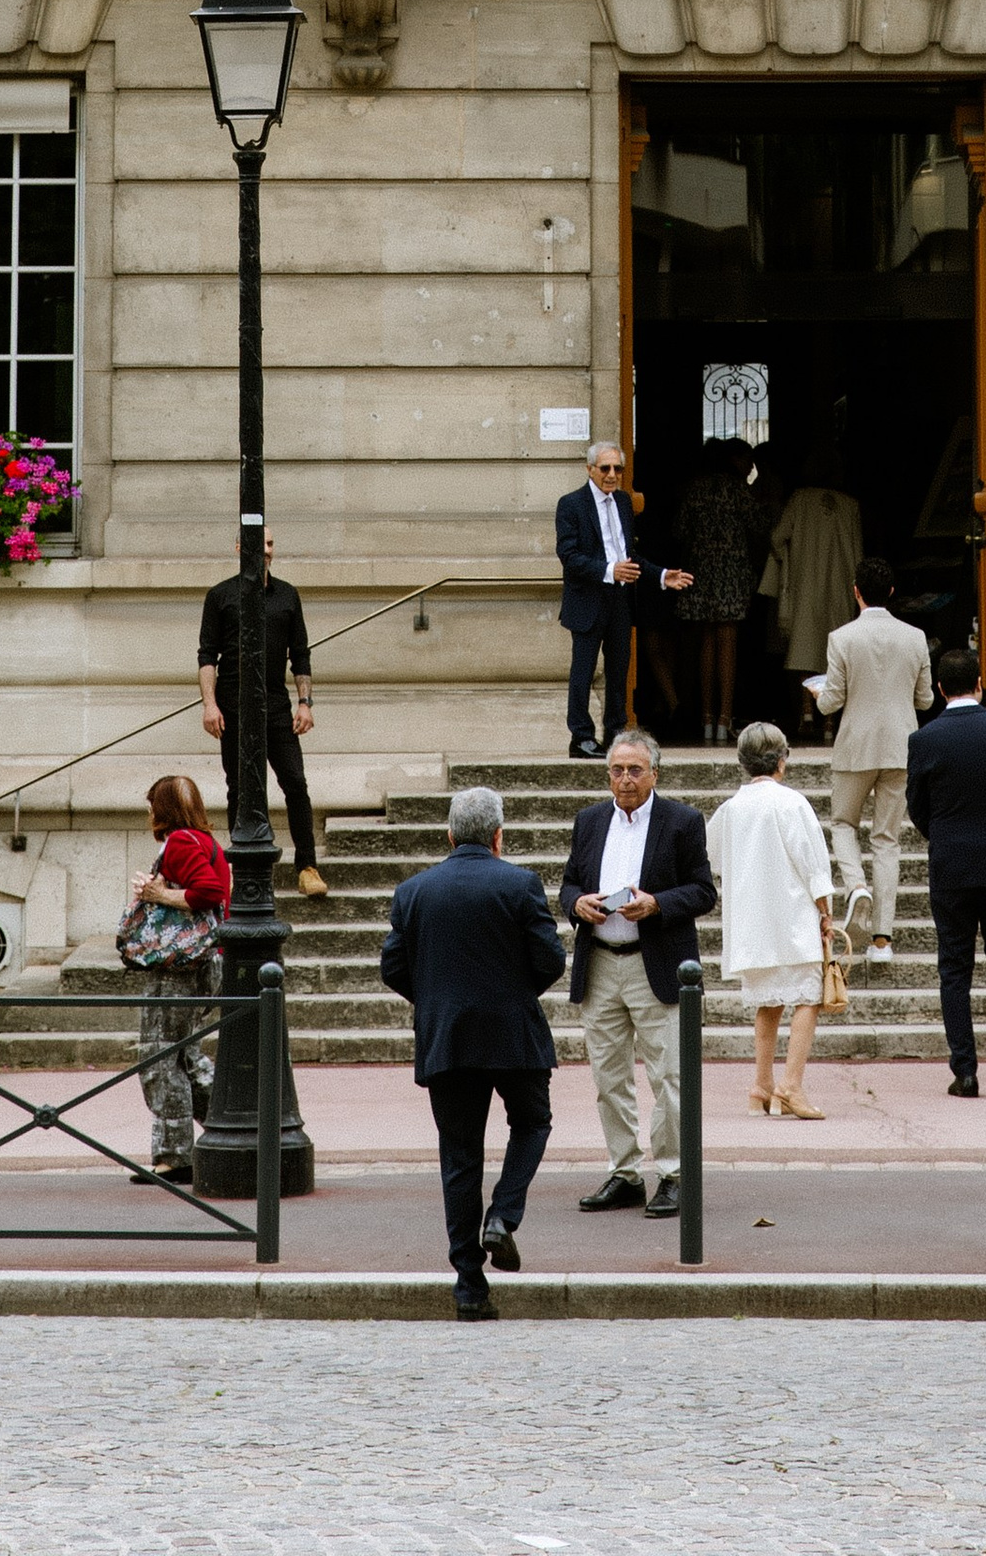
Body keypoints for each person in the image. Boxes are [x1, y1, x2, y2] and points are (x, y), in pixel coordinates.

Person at [379, 781, 567, 1321]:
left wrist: (438, 1000)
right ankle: (503, 1215)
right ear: (498, 836)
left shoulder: (414, 890)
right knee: (532, 1122)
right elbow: (550, 959)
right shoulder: (520, 884)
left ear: (449, 834)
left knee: (459, 1158)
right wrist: (510, 993)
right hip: (512, 1032)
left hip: (447, 1036)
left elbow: (393, 966)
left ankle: (468, 1286)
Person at [556, 725, 715, 1218]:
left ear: (654, 773)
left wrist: (657, 904)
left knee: (669, 1077)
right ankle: (623, 1172)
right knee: (609, 1077)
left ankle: (672, 1173)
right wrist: (577, 903)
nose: (625, 779)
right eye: (617, 770)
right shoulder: (589, 821)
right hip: (601, 962)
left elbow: (704, 891)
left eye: (635, 770)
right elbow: (567, 884)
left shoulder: (682, 821)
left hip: (657, 967)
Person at [904, 643, 986, 1098]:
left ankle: (964, 1070)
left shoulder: (924, 740)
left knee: (954, 970)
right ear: (980, 685)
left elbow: (916, 808)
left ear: (940, 689)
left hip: (951, 864)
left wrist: (944, 837)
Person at [706, 719, 836, 1120]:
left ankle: (761, 1085)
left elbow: (712, 859)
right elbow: (812, 862)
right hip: (792, 914)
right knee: (808, 997)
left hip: (751, 918)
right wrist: (825, 911)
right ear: (781, 761)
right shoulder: (792, 802)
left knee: (768, 1003)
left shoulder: (729, 810)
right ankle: (790, 1085)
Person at [197, 525, 326, 901]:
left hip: (274, 704)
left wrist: (305, 702)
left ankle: (306, 867)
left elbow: (300, 653)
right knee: (239, 789)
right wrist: (209, 705)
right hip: (233, 706)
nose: (265, 550)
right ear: (240, 547)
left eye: (270, 544)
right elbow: (208, 655)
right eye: (259, 543)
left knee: (296, 785)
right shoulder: (220, 596)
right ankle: (242, 871)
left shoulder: (287, 595)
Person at [818, 556, 934, 962]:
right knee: (887, 839)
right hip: (902, 745)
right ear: (890, 592)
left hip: (855, 744)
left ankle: (856, 886)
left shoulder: (841, 637)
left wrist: (817, 695)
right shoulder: (915, 637)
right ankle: (882, 940)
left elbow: (831, 700)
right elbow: (925, 699)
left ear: (856, 592)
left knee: (842, 822)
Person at [554, 440, 690, 758]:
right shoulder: (571, 504)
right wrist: (608, 570)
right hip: (588, 598)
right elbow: (569, 556)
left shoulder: (624, 502)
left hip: (620, 599)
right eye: (605, 468)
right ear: (590, 470)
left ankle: (615, 733)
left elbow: (629, 557)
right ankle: (582, 737)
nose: (612, 474)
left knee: (618, 671)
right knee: (583, 671)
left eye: (618, 468)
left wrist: (660, 575)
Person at [124, 772, 228, 1181]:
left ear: (161, 809)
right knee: (185, 1055)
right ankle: (235, 1123)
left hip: (180, 967)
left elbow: (206, 892)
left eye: (152, 805)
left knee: (159, 1057)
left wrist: (156, 894)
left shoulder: (182, 841)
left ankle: (174, 1155)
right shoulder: (205, 841)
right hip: (205, 962)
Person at [672, 437, 771, 744]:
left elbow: (679, 531)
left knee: (706, 643)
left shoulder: (695, 489)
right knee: (728, 643)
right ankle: (724, 719)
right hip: (732, 572)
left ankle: (705, 719)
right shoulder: (738, 489)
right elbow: (759, 527)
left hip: (701, 571)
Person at [762, 468, 865, 719]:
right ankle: (829, 721)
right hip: (840, 585)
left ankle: (807, 712)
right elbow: (859, 553)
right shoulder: (850, 505)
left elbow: (777, 537)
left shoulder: (800, 499)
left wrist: (785, 561)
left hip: (804, 580)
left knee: (805, 647)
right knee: (835, 648)